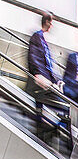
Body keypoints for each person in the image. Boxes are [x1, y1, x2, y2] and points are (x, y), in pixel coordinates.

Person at [27, 13, 71, 151]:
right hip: (41, 85)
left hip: (47, 84)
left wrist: (58, 81)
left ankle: (47, 135)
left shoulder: (43, 40)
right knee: (63, 109)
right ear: (46, 22)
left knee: (63, 110)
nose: (52, 26)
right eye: (51, 23)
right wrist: (39, 75)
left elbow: (49, 66)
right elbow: (34, 59)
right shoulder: (36, 37)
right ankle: (47, 137)